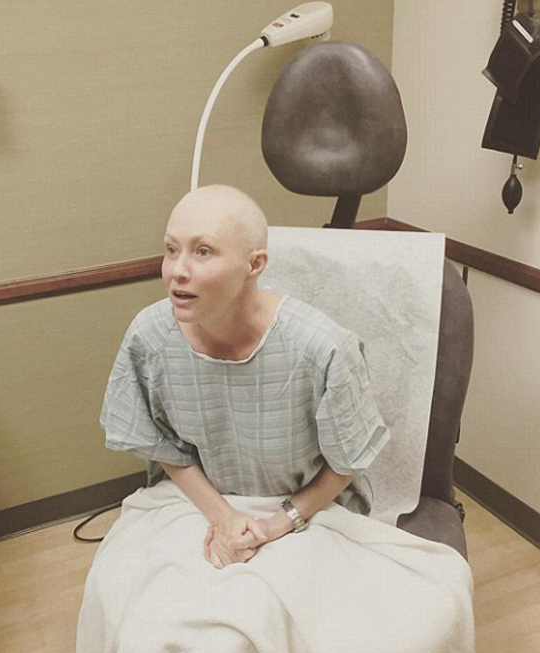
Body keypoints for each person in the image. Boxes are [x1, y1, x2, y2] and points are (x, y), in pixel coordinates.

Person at [100, 184, 390, 569]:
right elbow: (163, 447)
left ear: (254, 265)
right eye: (171, 250)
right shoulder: (150, 337)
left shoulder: (323, 348)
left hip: (306, 509)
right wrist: (223, 518)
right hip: (195, 501)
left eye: (203, 251)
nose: (178, 271)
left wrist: (274, 525)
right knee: (128, 585)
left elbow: (344, 465)